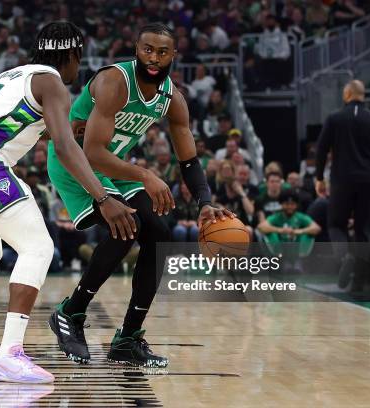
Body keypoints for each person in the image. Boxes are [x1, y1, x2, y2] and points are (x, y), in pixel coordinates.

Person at [0, 22, 136, 384]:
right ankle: (9, 355)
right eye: (78, 59)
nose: (77, 68)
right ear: (71, 55)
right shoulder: (53, 82)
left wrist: (66, 126)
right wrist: (104, 196)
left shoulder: (15, 75)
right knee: (37, 246)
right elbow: (65, 148)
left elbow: (26, 124)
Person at [46, 23, 232, 368]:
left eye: (162, 52)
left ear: (173, 56)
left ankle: (128, 339)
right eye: (147, 49)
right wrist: (146, 175)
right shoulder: (115, 82)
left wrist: (205, 201)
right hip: (76, 162)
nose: (154, 58)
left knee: (160, 234)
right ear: (136, 48)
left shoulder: (172, 99)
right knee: (126, 225)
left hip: (114, 168)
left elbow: (188, 158)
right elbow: (93, 151)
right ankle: (70, 313)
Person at [315, 80, 370, 289]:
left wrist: (319, 178)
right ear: (363, 95)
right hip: (368, 180)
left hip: (341, 179)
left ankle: (345, 257)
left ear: (347, 94)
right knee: (363, 230)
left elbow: (321, 150)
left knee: (336, 224)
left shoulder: (335, 118)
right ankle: (358, 282)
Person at [258, 189, 321, 268]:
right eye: (287, 204)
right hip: (281, 248)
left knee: (309, 234)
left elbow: (316, 228)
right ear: (281, 204)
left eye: (292, 204)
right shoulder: (277, 216)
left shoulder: (300, 216)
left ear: (296, 205)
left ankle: (300, 260)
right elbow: (261, 227)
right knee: (270, 233)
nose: (290, 207)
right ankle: (278, 261)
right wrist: (280, 230)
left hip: (296, 248)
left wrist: (299, 231)